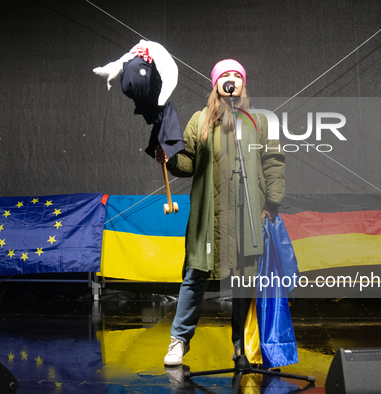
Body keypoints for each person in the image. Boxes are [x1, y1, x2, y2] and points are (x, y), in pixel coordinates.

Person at [156, 59, 285, 366]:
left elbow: (274, 162)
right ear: (215, 84)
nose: (231, 79)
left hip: (248, 216)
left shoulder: (260, 121)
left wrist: (272, 204)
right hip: (208, 215)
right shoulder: (200, 119)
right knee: (195, 275)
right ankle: (179, 341)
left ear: (243, 83)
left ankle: (242, 345)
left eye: (236, 75)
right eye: (224, 75)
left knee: (245, 281)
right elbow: (188, 163)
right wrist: (171, 160)